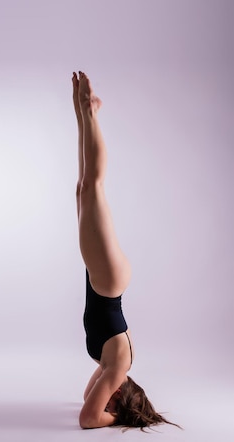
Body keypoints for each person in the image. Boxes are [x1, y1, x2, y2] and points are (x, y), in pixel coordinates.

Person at [72, 71, 179, 430]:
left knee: (82, 189)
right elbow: (90, 419)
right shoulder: (117, 367)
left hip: (103, 278)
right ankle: (91, 111)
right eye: (115, 400)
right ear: (122, 394)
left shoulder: (110, 370)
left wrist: (115, 407)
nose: (106, 396)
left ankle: (82, 112)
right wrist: (118, 416)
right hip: (108, 281)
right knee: (94, 187)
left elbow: (88, 403)